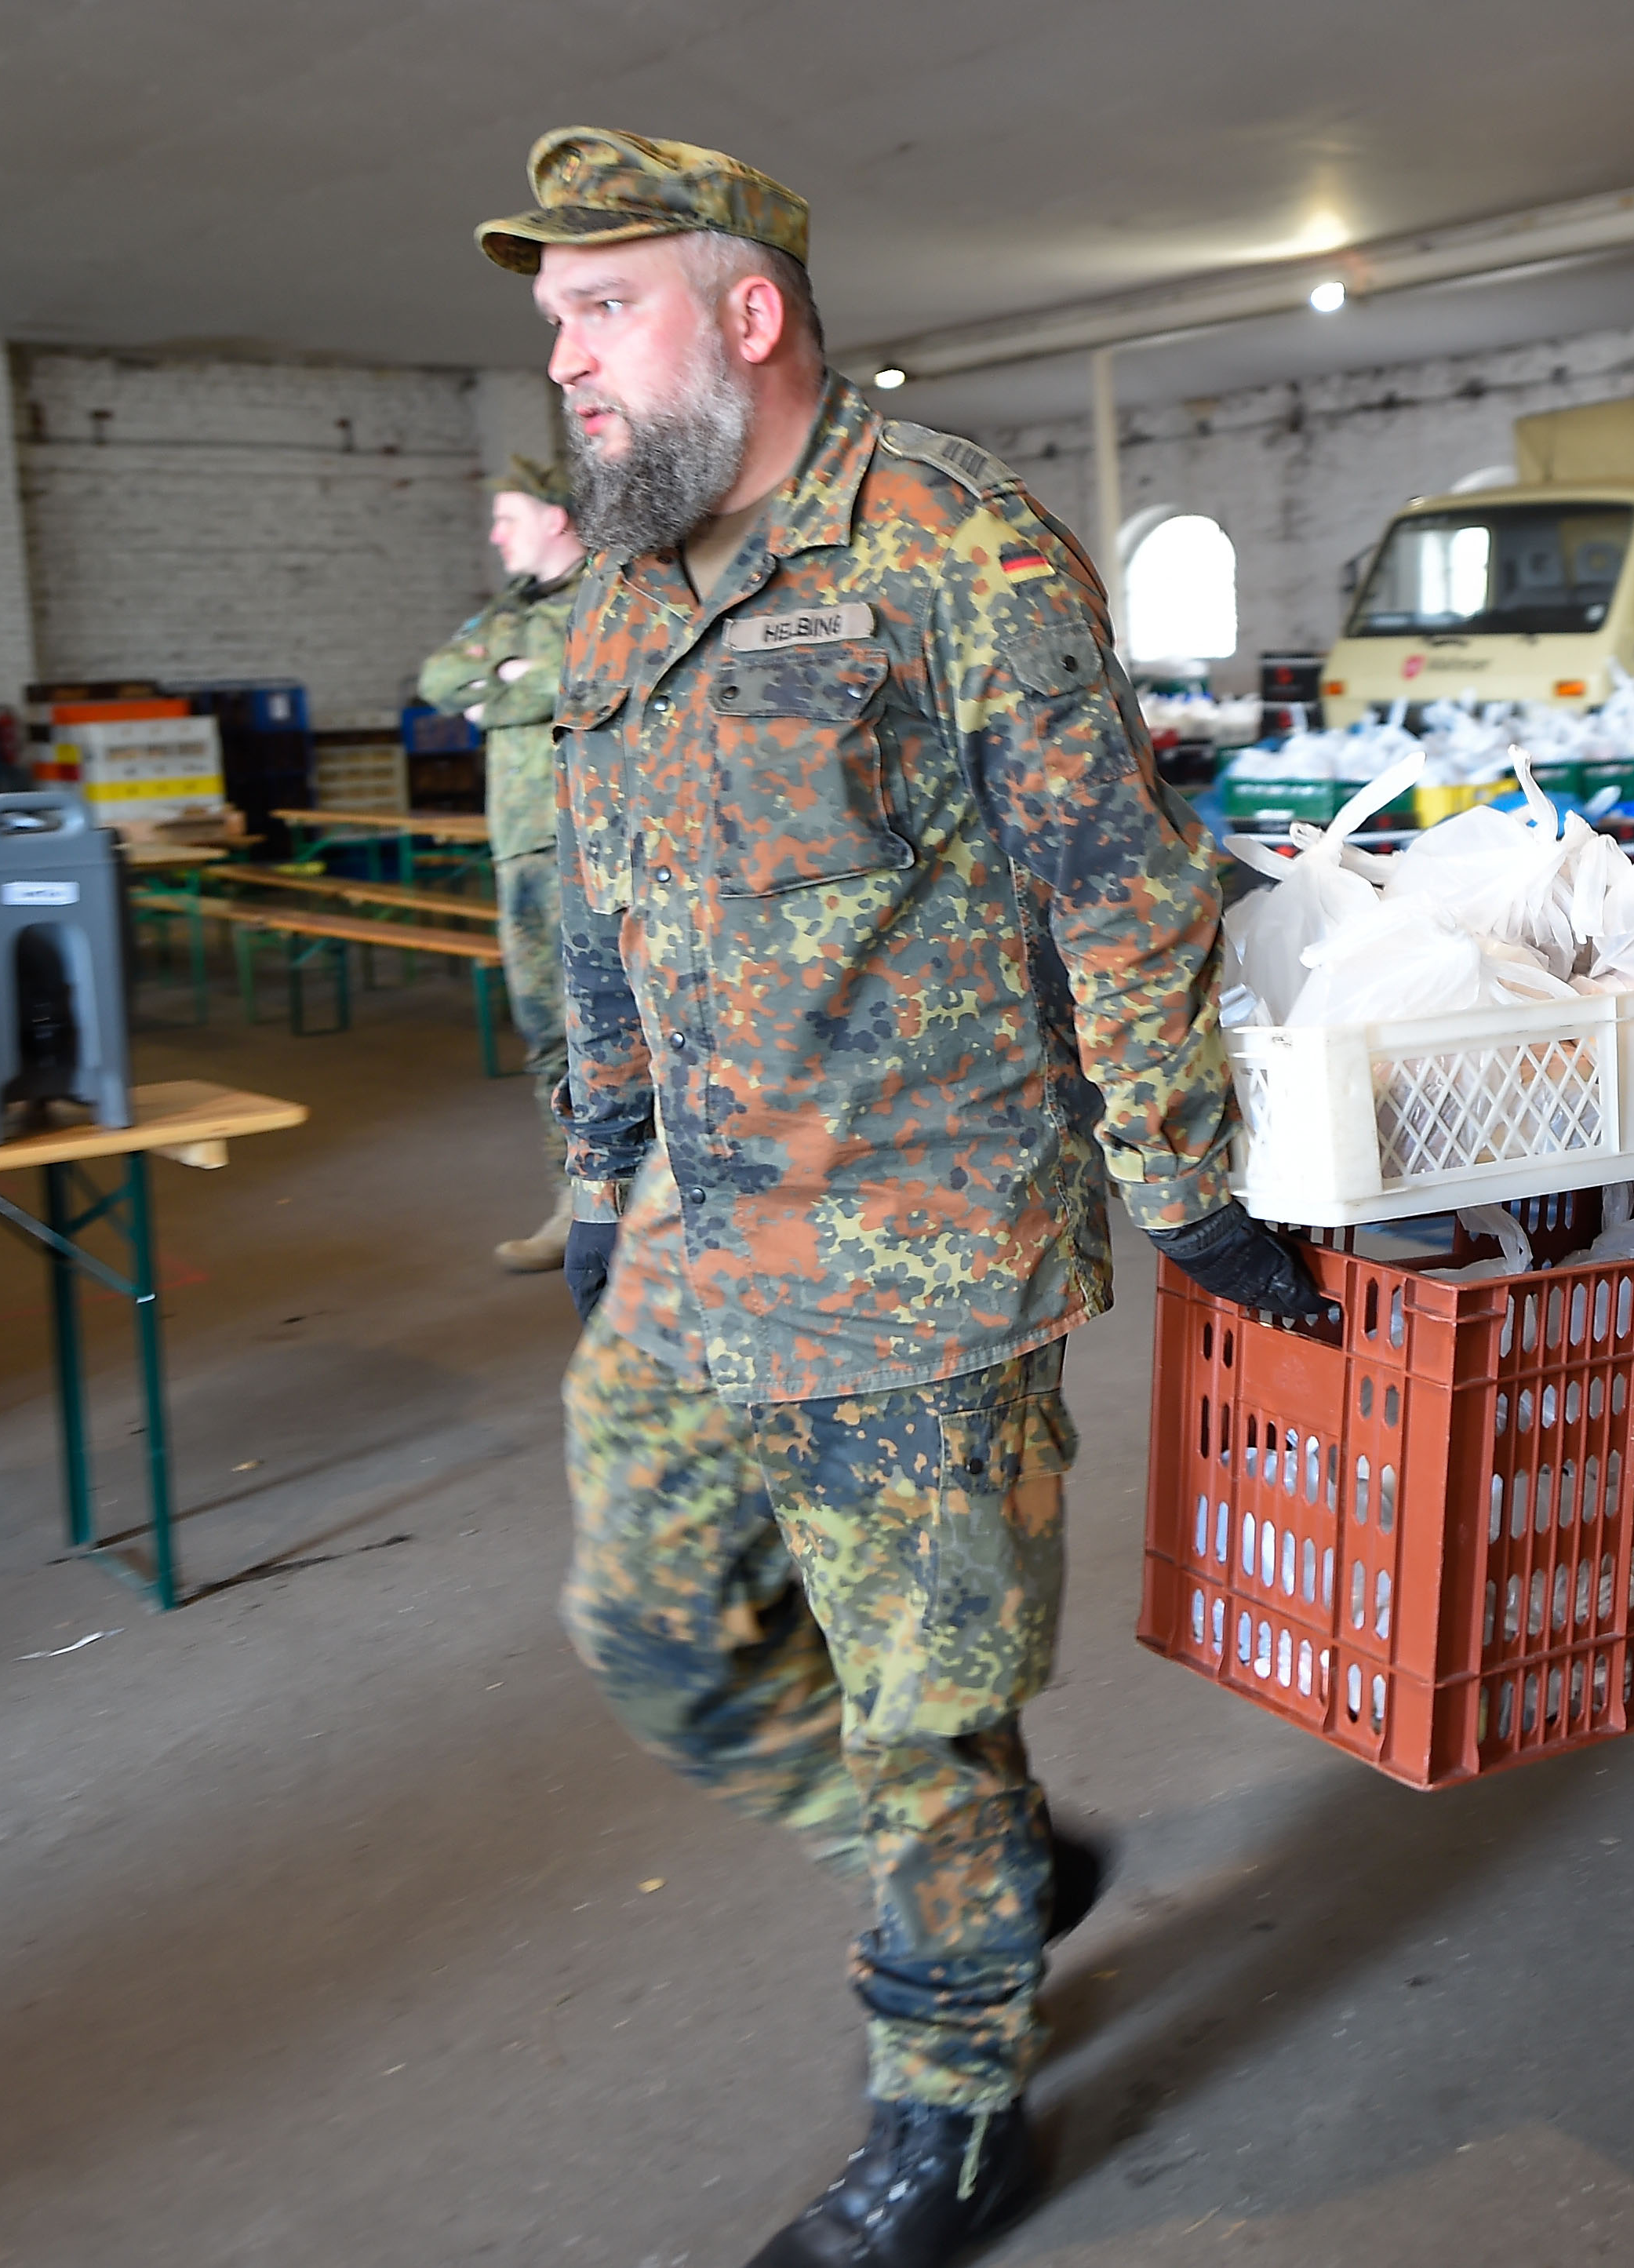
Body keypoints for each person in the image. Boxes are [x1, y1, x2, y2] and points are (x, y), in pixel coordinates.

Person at [477, 129, 1331, 2268]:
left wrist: (1186, 1184)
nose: (567, 360)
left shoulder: (956, 544)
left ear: (745, 313)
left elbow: (1122, 894)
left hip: (924, 1242)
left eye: (604, 309)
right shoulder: (625, 570)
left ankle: (952, 2105)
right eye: (555, 323)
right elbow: (603, 891)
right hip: (700, 1220)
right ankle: (1002, 1865)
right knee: (654, 1623)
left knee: (925, 1708)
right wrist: (599, 1163)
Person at [416, 455, 588, 1269]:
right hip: (519, 844)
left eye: (508, 516)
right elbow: (439, 678)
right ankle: (575, 1201)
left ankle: (642, 1209)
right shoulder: (509, 610)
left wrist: (506, 690)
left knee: (617, 1033)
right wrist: (517, 678)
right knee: (547, 1031)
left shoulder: (611, 597)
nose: (494, 534)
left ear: (556, 518)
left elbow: (587, 682)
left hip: (590, 841)